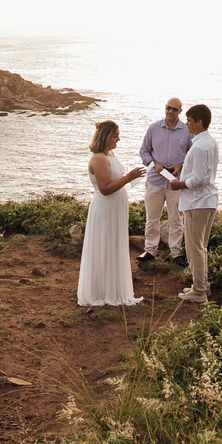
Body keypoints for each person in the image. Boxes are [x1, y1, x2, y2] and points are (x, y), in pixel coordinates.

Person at [77, 120, 146, 307]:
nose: (119, 139)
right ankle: (102, 291)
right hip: (105, 209)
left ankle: (114, 288)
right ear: (107, 136)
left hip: (115, 210)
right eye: (116, 135)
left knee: (114, 245)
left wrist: (131, 178)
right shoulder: (99, 158)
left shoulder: (110, 154)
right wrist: (128, 177)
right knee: (104, 245)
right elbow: (105, 188)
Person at [169, 104, 219, 303]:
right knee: (201, 246)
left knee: (194, 248)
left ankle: (198, 291)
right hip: (207, 201)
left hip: (197, 203)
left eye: (188, 120)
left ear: (199, 122)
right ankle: (202, 285)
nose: (186, 124)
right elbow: (204, 175)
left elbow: (198, 180)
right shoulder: (210, 142)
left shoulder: (198, 146)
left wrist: (179, 184)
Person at [137, 97, 193, 265]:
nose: (170, 111)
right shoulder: (153, 128)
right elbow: (144, 151)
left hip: (176, 183)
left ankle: (176, 254)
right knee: (151, 218)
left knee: (176, 219)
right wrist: (154, 164)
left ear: (180, 112)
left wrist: (180, 165)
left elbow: (192, 155)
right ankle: (149, 251)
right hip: (155, 181)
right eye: (168, 108)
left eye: (174, 109)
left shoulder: (187, 131)